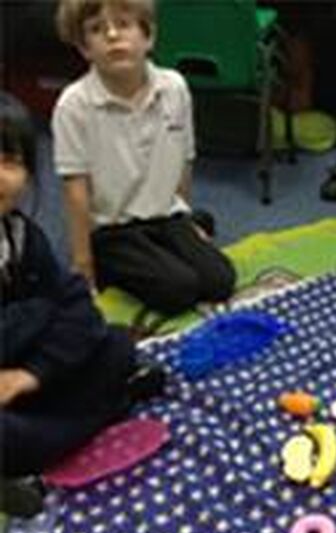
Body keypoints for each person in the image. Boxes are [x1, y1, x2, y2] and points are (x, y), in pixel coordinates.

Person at [0, 93, 164, 518]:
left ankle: (71, 427)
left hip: (29, 373)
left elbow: (80, 309)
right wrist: (37, 319)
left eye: (9, 160)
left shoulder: (23, 237)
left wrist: (32, 373)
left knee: (115, 347)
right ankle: (99, 413)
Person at [52, 0, 235, 314]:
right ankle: (113, 263)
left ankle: (171, 245)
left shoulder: (174, 88)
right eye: (96, 30)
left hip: (166, 215)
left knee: (220, 280)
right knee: (178, 290)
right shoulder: (74, 105)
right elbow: (76, 190)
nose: (112, 35)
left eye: (124, 24)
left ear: (148, 36)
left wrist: (185, 218)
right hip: (113, 229)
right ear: (84, 48)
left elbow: (184, 160)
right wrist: (83, 263)